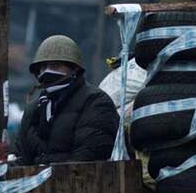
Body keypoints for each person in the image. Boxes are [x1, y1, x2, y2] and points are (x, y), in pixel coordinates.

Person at [14, 35, 119, 166]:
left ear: (74, 69)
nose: (47, 71)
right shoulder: (33, 109)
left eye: (55, 65)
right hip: (38, 185)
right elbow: (22, 157)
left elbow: (91, 155)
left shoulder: (94, 101)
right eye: (43, 66)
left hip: (79, 183)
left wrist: (50, 174)